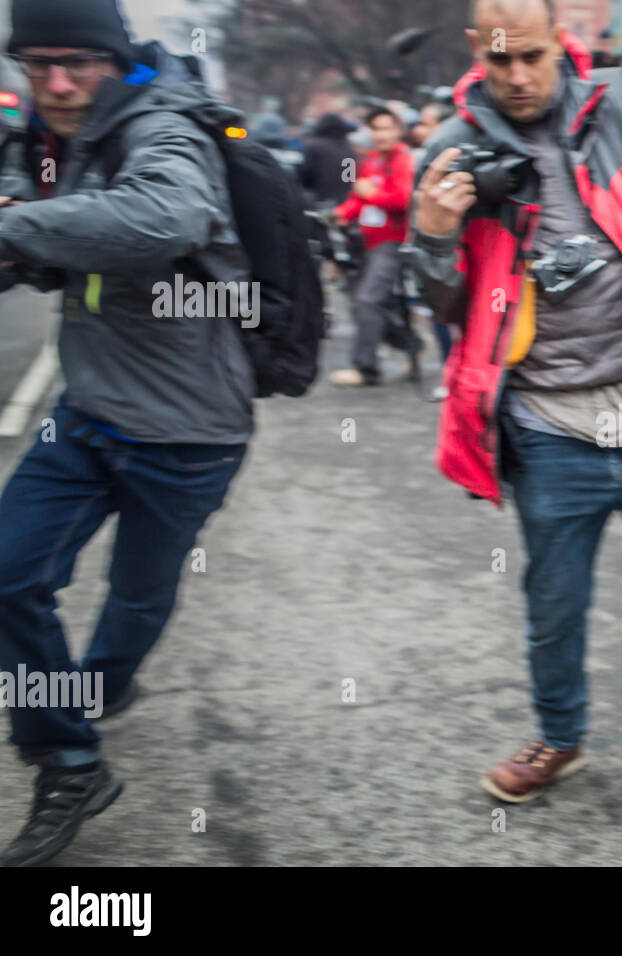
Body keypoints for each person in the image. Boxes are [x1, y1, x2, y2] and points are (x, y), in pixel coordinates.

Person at [406, 0, 622, 807]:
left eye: (533, 56)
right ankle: (559, 737)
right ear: (475, 50)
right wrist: (429, 236)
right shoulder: (454, 147)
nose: (519, 77)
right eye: (501, 61)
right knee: (554, 608)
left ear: (563, 42)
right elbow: (444, 308)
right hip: (548, 427)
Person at [0, 0, 253, 866]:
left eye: (75, 63)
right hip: (87, 416)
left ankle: (97, 690)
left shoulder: (165, 124)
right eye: (36, 66)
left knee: (136, 602)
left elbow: (163, 220)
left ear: (117, 60)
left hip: (191, 432)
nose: (56, 85)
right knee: (5, 577)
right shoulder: (50, 135)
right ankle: (68, 761)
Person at [330, 106, 420, 386]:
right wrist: (342, 213)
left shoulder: (403, 160)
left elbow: (404, 200)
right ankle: (410, 343)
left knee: (368, 301)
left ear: (398, 129)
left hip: (393, 243)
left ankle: (366, 367)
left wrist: (373, 195)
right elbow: (359, 198)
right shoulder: (372, 160)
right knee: (362, 302)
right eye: (376, 128)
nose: (381, 134)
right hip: (370, 242)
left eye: (386, 127)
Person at [298, 112, 356, 206]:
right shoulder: (350, 150)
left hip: (320, 203)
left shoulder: (312, 147)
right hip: (345, 206)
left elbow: (305, 177)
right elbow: (350, 179)